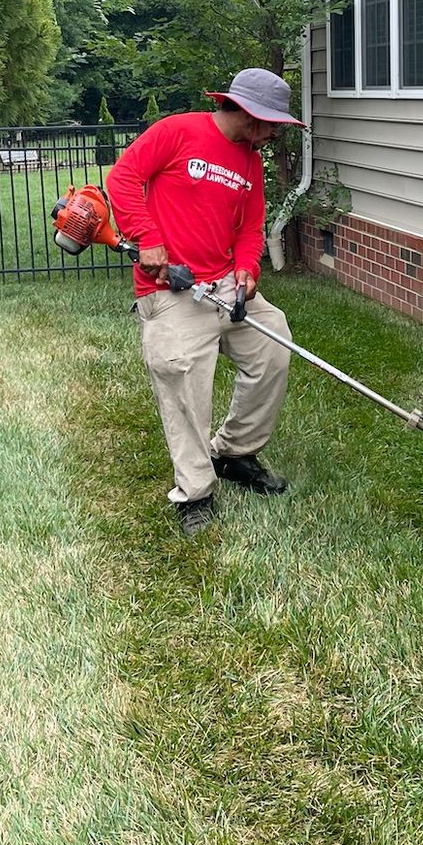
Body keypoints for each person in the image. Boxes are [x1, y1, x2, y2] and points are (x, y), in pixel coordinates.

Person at [105, 68, 303, 534]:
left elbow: (251, 227)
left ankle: (234, 452)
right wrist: (147, 237)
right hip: (171, 290)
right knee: (183, 379)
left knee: (274, 342)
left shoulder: (251, 161)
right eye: (272, 123)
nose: (275, 133)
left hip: (223, 286)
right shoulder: (177, 131)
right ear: (250, 114)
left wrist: (248, 269)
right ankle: (195, 491)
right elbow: (122, 178)